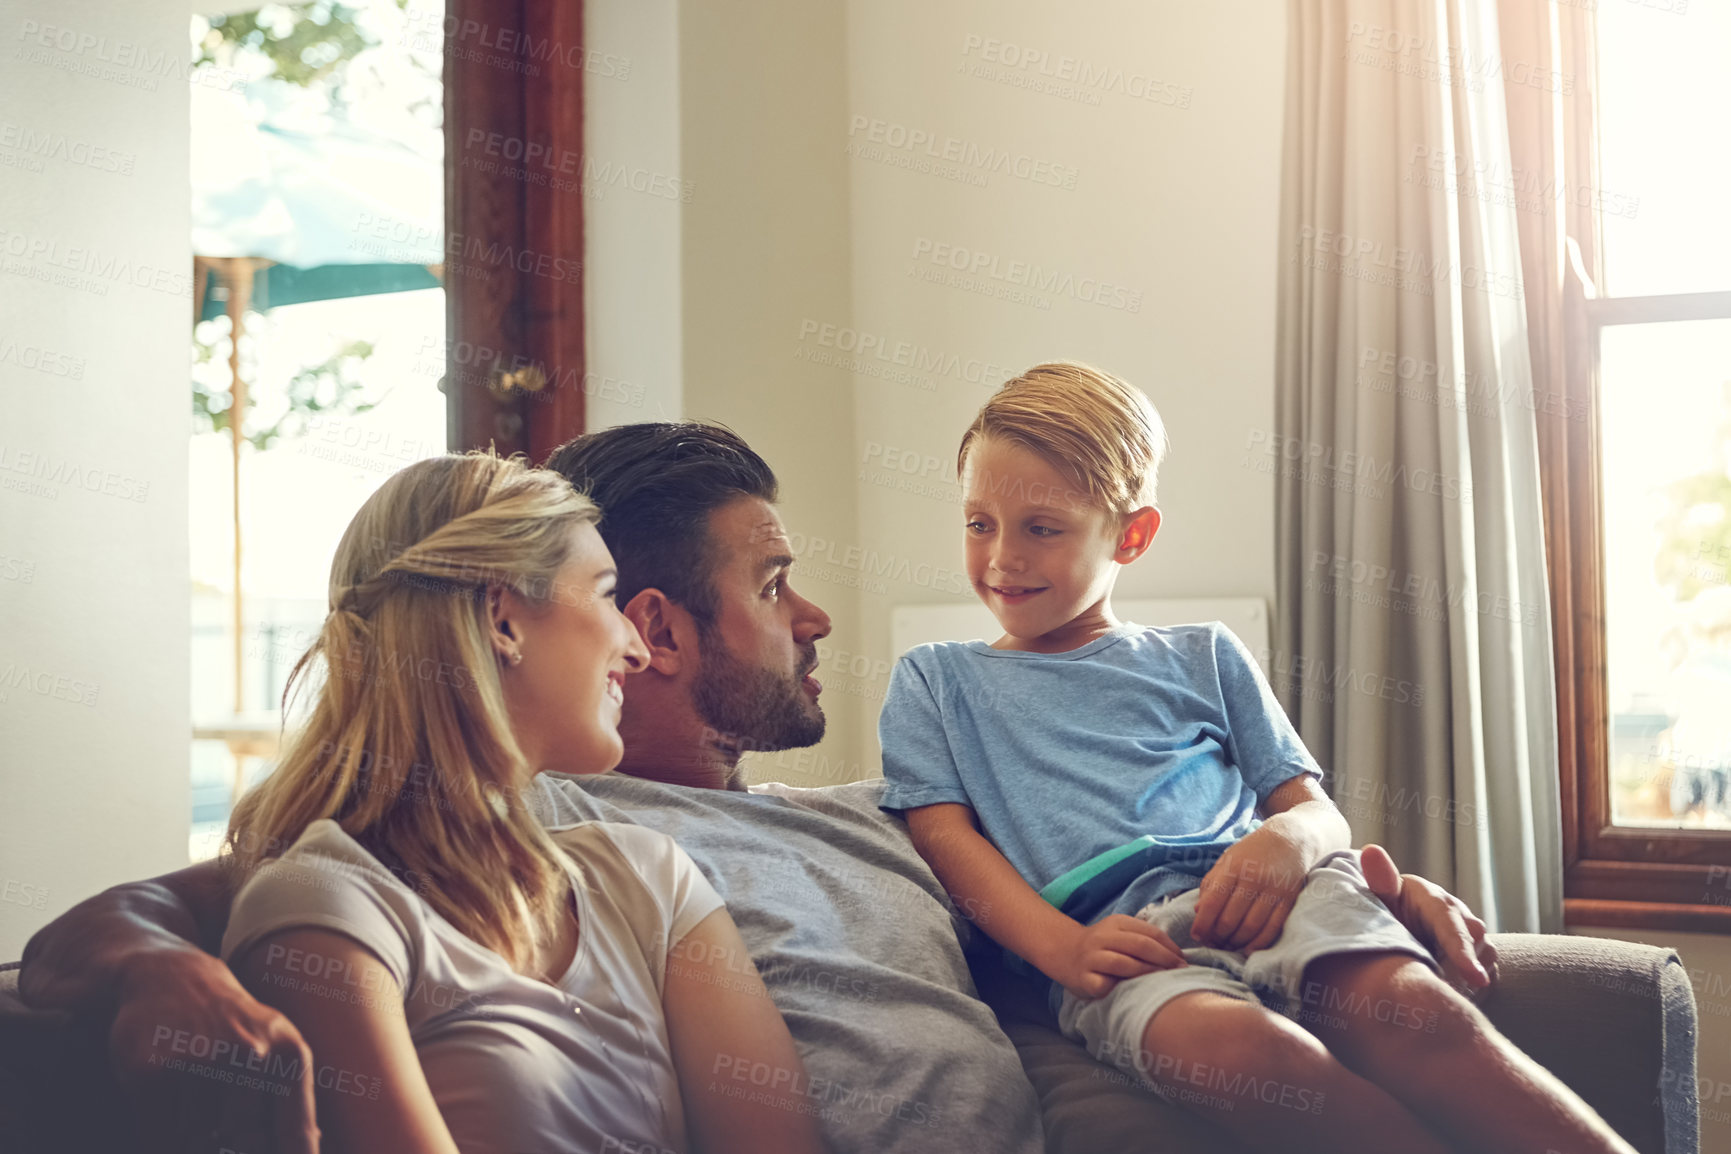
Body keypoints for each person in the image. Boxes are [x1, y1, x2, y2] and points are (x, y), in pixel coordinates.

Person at [20, 422, 1499, 1154]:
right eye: (774, 583)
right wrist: (144, 961)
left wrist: (1321, 862)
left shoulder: (877, 817)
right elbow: (201, 896)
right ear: (647, 628)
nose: (816, 621)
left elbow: (1111, 904)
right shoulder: (542, 823)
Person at [877, 362, 1635, 1154]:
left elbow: (1314, 812)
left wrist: (1285, 843)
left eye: (1042, 528)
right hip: (1123, 943)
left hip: (1279, 896)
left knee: (1418, 1018)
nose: (1001, 557)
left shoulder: (1203, 654)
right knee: (1246, 1060)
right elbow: (945, 841)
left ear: (1130, 534)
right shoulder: (934, 680)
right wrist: (1062, 949)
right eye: (977, 523)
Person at [194, 452, 821, 1154]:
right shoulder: (328, 908)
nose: (634, 648)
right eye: (607, 594)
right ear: (503, 618)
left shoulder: (648, 878)